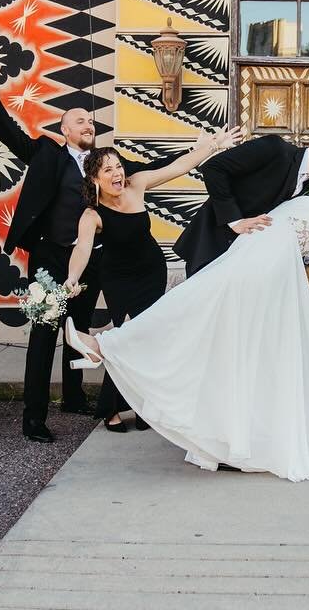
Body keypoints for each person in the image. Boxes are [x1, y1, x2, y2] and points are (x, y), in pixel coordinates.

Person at [63, 186, 309, 482]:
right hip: (245, 273)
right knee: (205, 333)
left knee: (186, 311)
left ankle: (108, 345)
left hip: (246, 279)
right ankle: (117, 347)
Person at [0, 61, 175, 443]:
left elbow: (152, 169)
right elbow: (12, 136)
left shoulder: (108, 165)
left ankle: (74, 396)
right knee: (45, 333)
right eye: (79, 121)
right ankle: (34, 418)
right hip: (50, 260)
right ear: (64, 130)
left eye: (91, 122)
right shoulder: (48, 154)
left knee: (78, 329)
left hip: (94, 259)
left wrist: (198, 152)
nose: (88, 126)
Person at [62, 128, 242, 432]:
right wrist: (72, 277)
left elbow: (178, 167)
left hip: (151, 272)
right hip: (119, 279)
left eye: (118, 166)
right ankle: (112, 406)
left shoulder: (137, 184)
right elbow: (82, 249)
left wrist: (212, 146)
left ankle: (142, 405)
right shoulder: (92, 215)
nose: (118, 173)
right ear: (95, 179)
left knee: (148, 338)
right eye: (109, 170)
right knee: (128, 336)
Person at [173, 125, 309, 278]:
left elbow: (293, 242)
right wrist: (235, 221)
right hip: (213, 249)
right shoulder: (275, 148)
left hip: (248, 271)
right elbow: (214, 168)